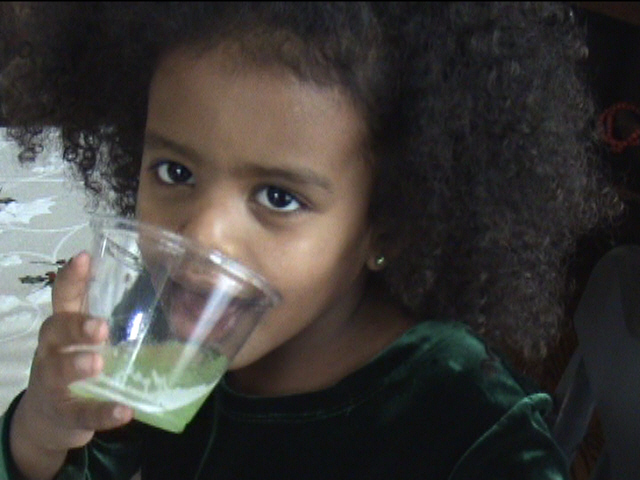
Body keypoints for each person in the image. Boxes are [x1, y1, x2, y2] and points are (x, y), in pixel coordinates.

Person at [0, 2, 620, 479]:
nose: (201, 234)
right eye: (175, 172)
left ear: (389, 224)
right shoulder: (163, 321)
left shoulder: (472, 427)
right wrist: (41, 433)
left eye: (278, 197)